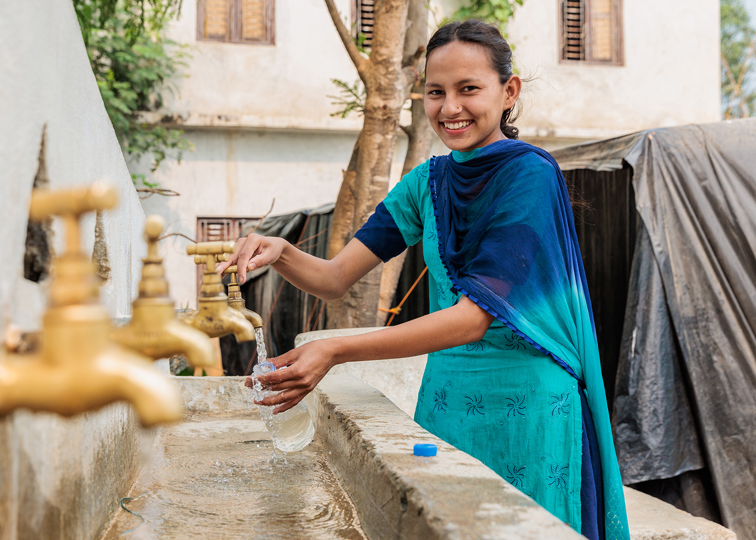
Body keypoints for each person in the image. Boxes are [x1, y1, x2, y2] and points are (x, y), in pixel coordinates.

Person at [217, 19, 629, 540]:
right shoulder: (426, 184)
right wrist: (282, 252)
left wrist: (336, 350)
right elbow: (335, 278)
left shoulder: (530, 176)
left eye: (469, 89)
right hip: (448, 401)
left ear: (509, 91)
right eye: (436, 92)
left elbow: (472, 319)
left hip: (530, 409)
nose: (450, 108)